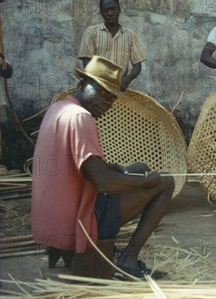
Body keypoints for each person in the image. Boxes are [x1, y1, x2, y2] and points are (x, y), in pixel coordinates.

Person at [31, 56, 174, 279]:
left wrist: (115, 169)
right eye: (101, 94)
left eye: (111, 100)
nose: (105, 104)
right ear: (81, 85)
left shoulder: (58, 108)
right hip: (78, 219)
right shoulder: (81, 117)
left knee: (139, 167)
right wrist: (149, 181)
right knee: (165, 181)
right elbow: (104, 182)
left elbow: (83, 167)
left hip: (55, 214)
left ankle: (111, 253)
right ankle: (128, 260)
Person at [78, 0, 146, 91]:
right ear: (101, 12)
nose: (110, 13)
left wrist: (127, 80)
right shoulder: (91, 32)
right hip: (96, 87)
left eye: (113, 9)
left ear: (119, 10)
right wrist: (98, 81)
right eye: (106, 10)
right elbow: (86, 61)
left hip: (119, 88)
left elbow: (137, 65)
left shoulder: (130, 35)